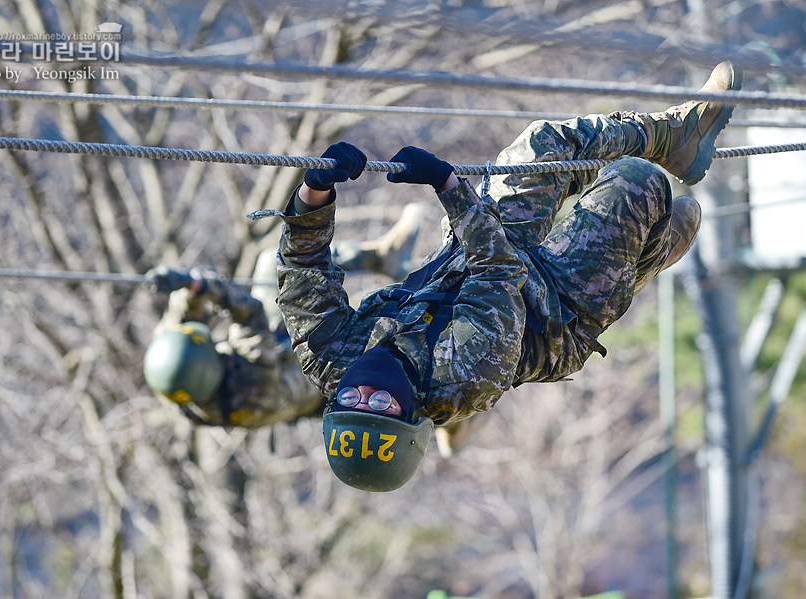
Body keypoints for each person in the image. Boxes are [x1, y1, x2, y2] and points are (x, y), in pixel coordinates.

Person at [259, 61, 743, 491]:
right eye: (381, 405)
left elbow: (302, 272)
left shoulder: (329, 359)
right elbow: (499, 272)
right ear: (409, 415)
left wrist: (314, 189)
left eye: (354, 400)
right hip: (555, 306)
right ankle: (648, 251)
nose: (368, 391)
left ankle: (679, 134)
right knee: (636, 183)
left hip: (468, 258)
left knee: (545, 143)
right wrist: (447, 186)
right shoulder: (463, 377)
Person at [143, 203, 423, 427]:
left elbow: (181, 327)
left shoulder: (170, 373)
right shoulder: (252, 384)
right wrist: (205, 286)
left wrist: (189, 286)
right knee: (377, 333)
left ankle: (381, 255)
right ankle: (448, 419)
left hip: (271, 349)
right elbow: (250, 314)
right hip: (309, 380)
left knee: (272, 263)